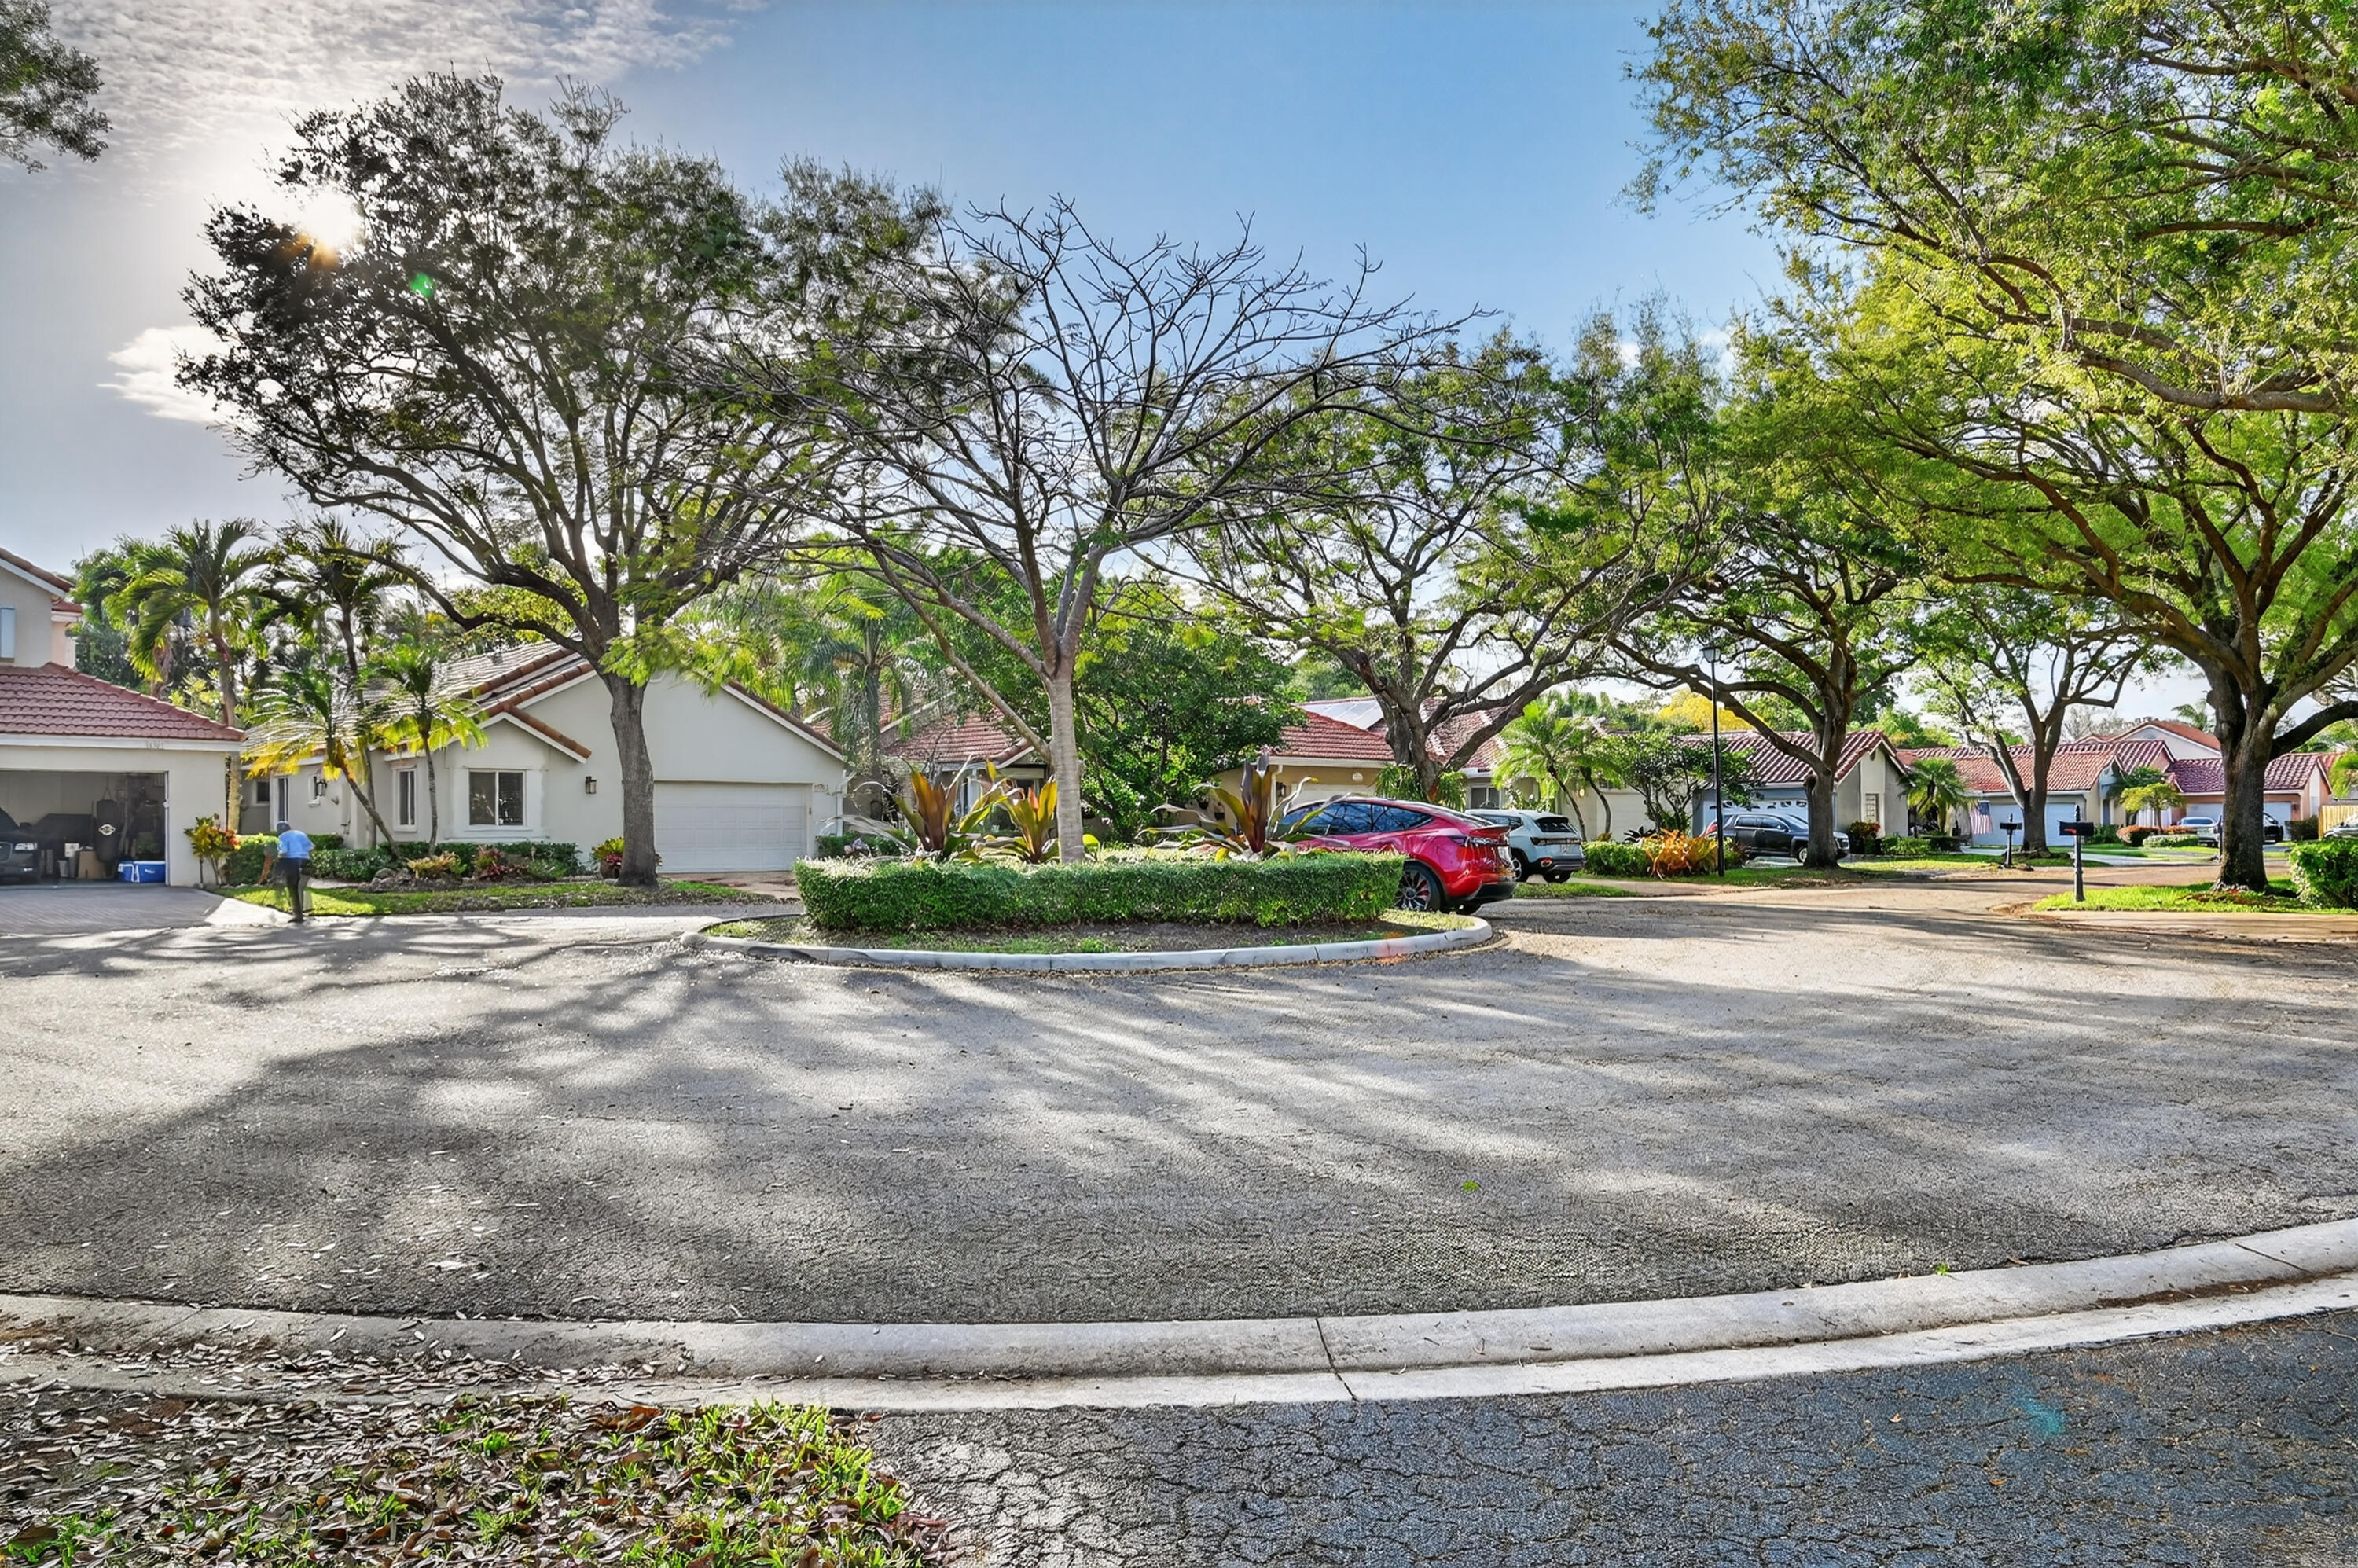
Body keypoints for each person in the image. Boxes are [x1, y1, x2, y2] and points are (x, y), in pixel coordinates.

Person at [265, 818, 314, 923]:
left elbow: (283, 852)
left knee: (293, 887)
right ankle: (303, 909)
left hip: (293, 862)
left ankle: (298, 915)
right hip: (307, 862)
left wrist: (277, 864)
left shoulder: (282, 837)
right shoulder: (301, 834)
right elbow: (311, 847)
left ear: (280, 831)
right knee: (301, 887)